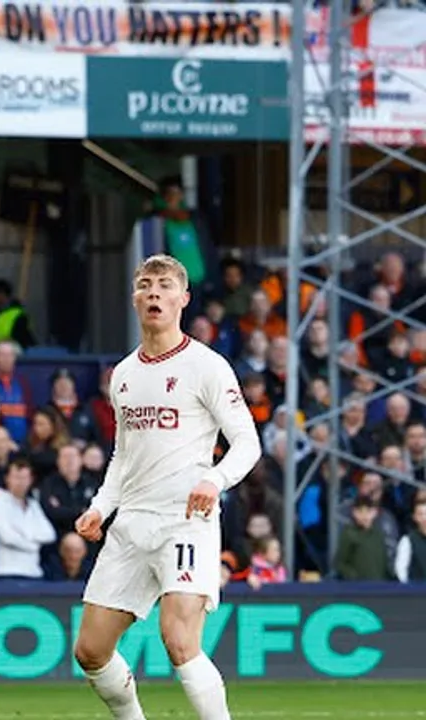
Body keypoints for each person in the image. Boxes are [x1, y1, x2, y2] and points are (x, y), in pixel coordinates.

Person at [72, 254, 261, 720]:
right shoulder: (123, 375)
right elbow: (123, 455)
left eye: (163, 285)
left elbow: (247, 442)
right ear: (135, 298)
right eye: (144, 285)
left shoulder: (207, 366)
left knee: (179, 641)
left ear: (183, 298)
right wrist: (101, 506)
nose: (153, 292)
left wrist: (213, 479)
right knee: (90, 651)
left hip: (185, 522)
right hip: (131, 523)